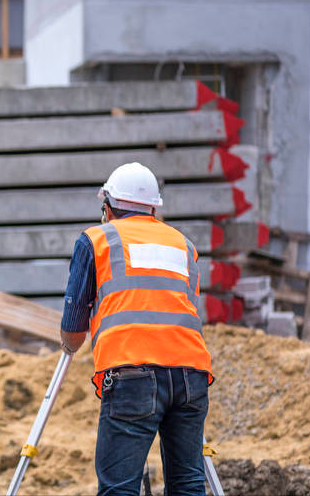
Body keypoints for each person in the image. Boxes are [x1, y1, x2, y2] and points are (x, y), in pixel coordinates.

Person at [59, 162, 213, 496]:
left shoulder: (97, 239)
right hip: (192, 375)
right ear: (154, 208)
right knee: (187, 483)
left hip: (132, 373)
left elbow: (73, 330)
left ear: (108, 207)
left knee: (119, 489)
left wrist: (70, 343)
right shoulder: (183, 245)